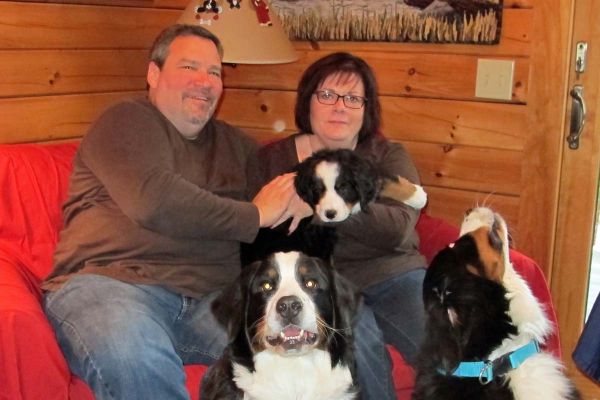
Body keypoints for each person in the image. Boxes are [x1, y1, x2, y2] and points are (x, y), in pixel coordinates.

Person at [41, 26, 392, 400]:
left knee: (308, 353)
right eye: (189, 67)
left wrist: (311, 185)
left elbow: (294, 187)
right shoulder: (126, 121)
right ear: (153, 74)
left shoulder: (236, 146)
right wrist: (255, 214)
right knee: (134, 355)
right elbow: (155, 201)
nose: (204, 82)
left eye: (214, 73)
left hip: (210, 299)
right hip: (112, 285)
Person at [248, 52, 428, 399]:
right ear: (308, 103)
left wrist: (322, 204)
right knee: (360, 341)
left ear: (366, 109)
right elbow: (261, 232)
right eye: (327, 95)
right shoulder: (272, 161)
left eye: (353, 98)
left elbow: (396, 229)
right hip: (319, 287)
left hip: (394, 276)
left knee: (443, 349)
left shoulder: (386, 157)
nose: (340, 107)